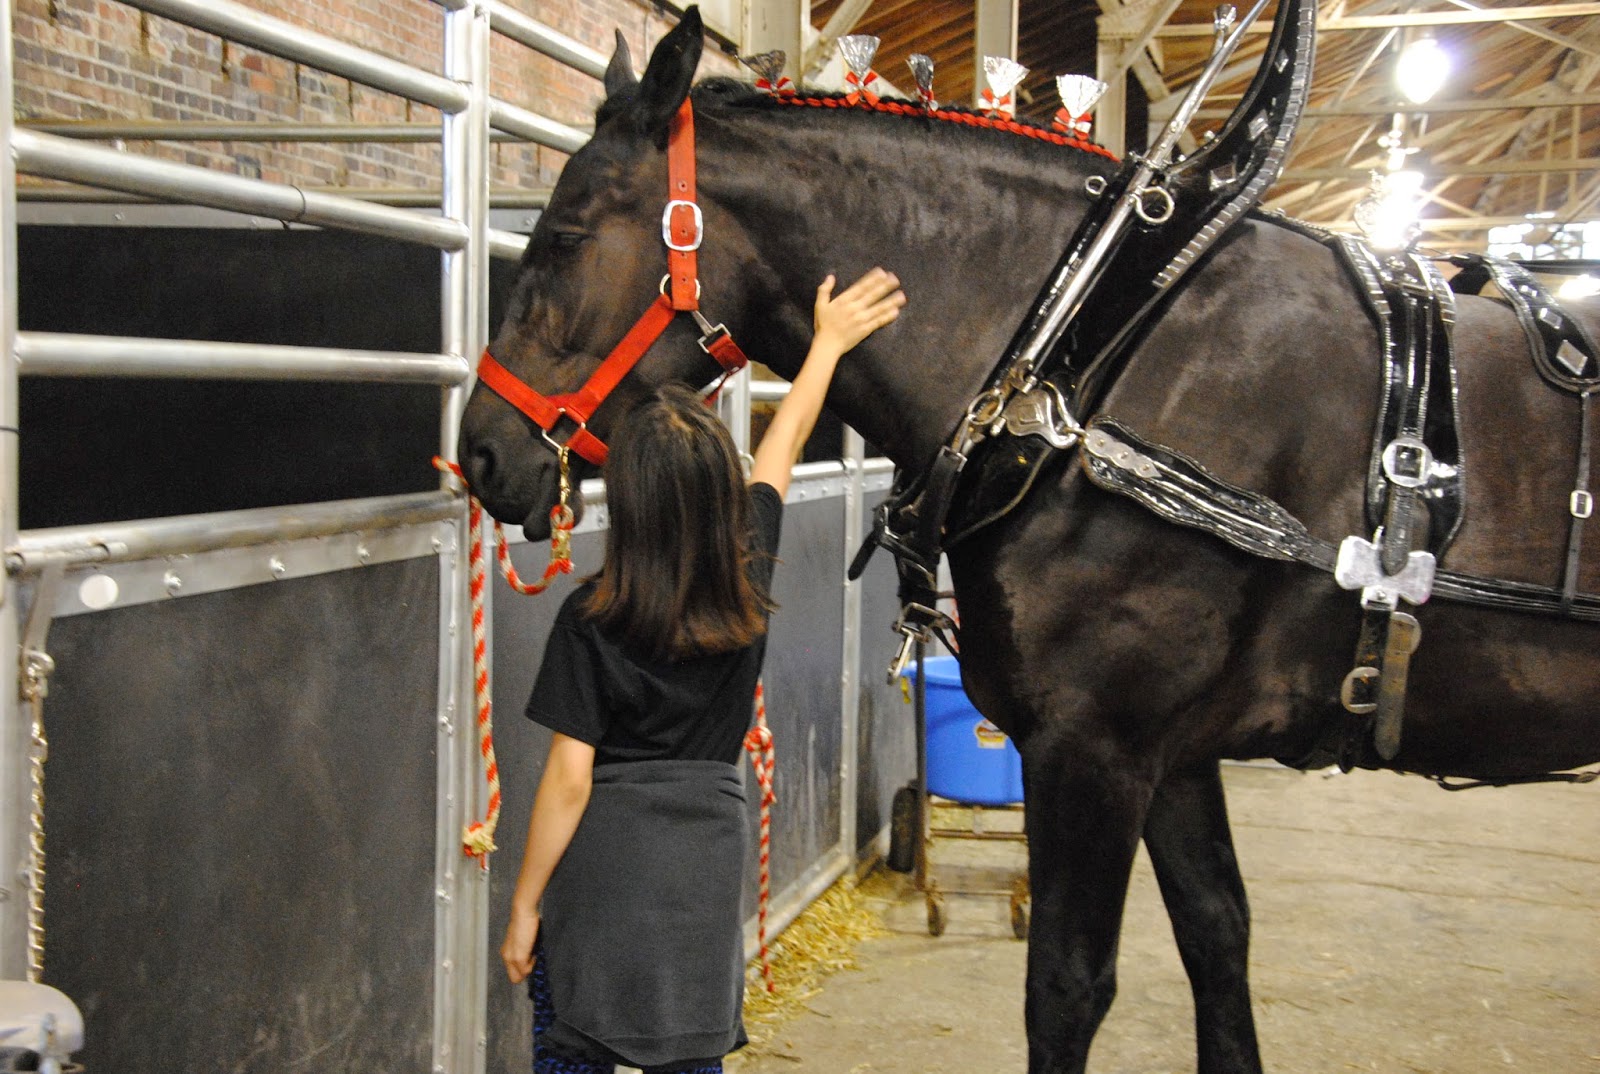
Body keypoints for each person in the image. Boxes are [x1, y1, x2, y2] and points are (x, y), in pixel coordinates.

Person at [500, 268, 906, 1074]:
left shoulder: (591, 617)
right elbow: (786, 438)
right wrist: (825, 345)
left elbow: (571, 781)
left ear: (627, 499)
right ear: (722, 487)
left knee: (573, 1042)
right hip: (704, 854)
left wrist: (524, 903)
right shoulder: (747, 573)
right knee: (688, 1051)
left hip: (604, 860)